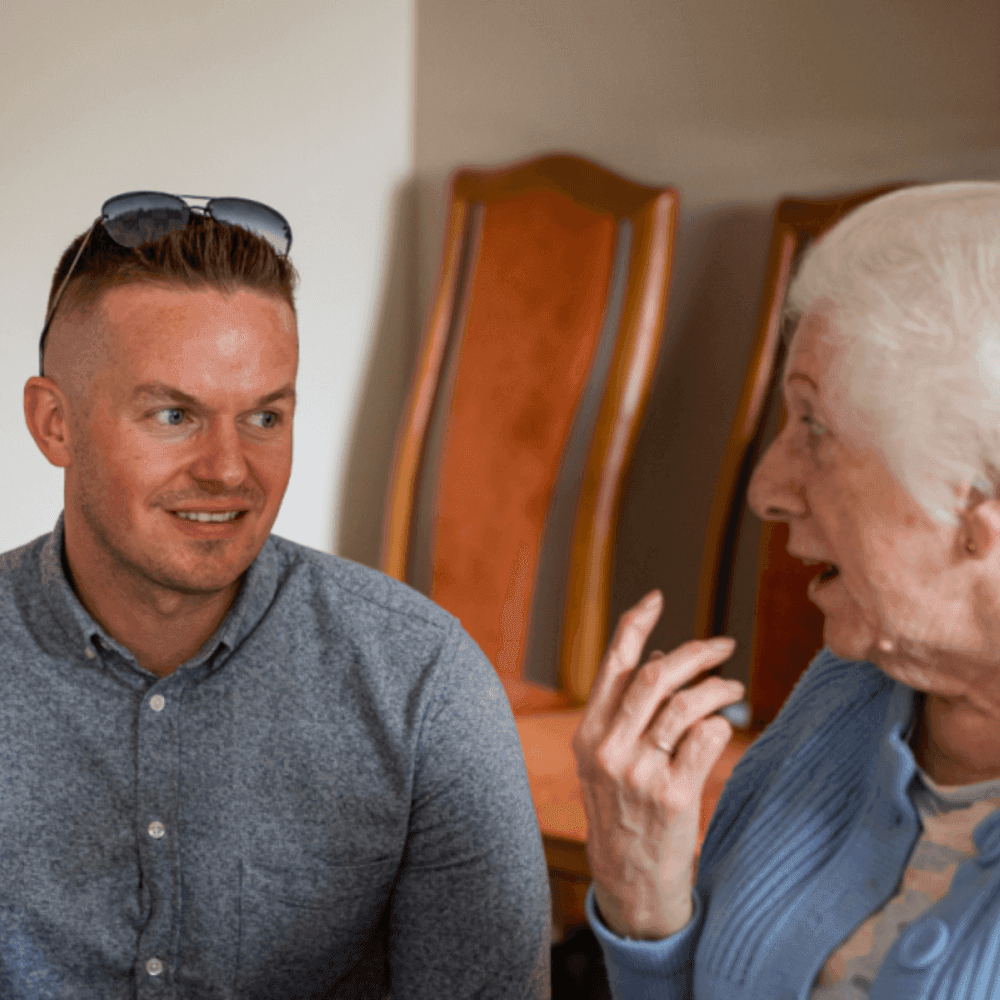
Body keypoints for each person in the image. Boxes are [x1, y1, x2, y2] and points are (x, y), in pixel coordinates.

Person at [0, 192, 551, 998]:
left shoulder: (422, 685)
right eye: (174, 414)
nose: (229, 469)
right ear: (55, 424)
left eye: (264, 417)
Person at [573, 181, 1000, 999]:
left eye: (814, 426)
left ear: (979, 497)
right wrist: (644, 903)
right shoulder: (846, 691)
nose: (767, 488)